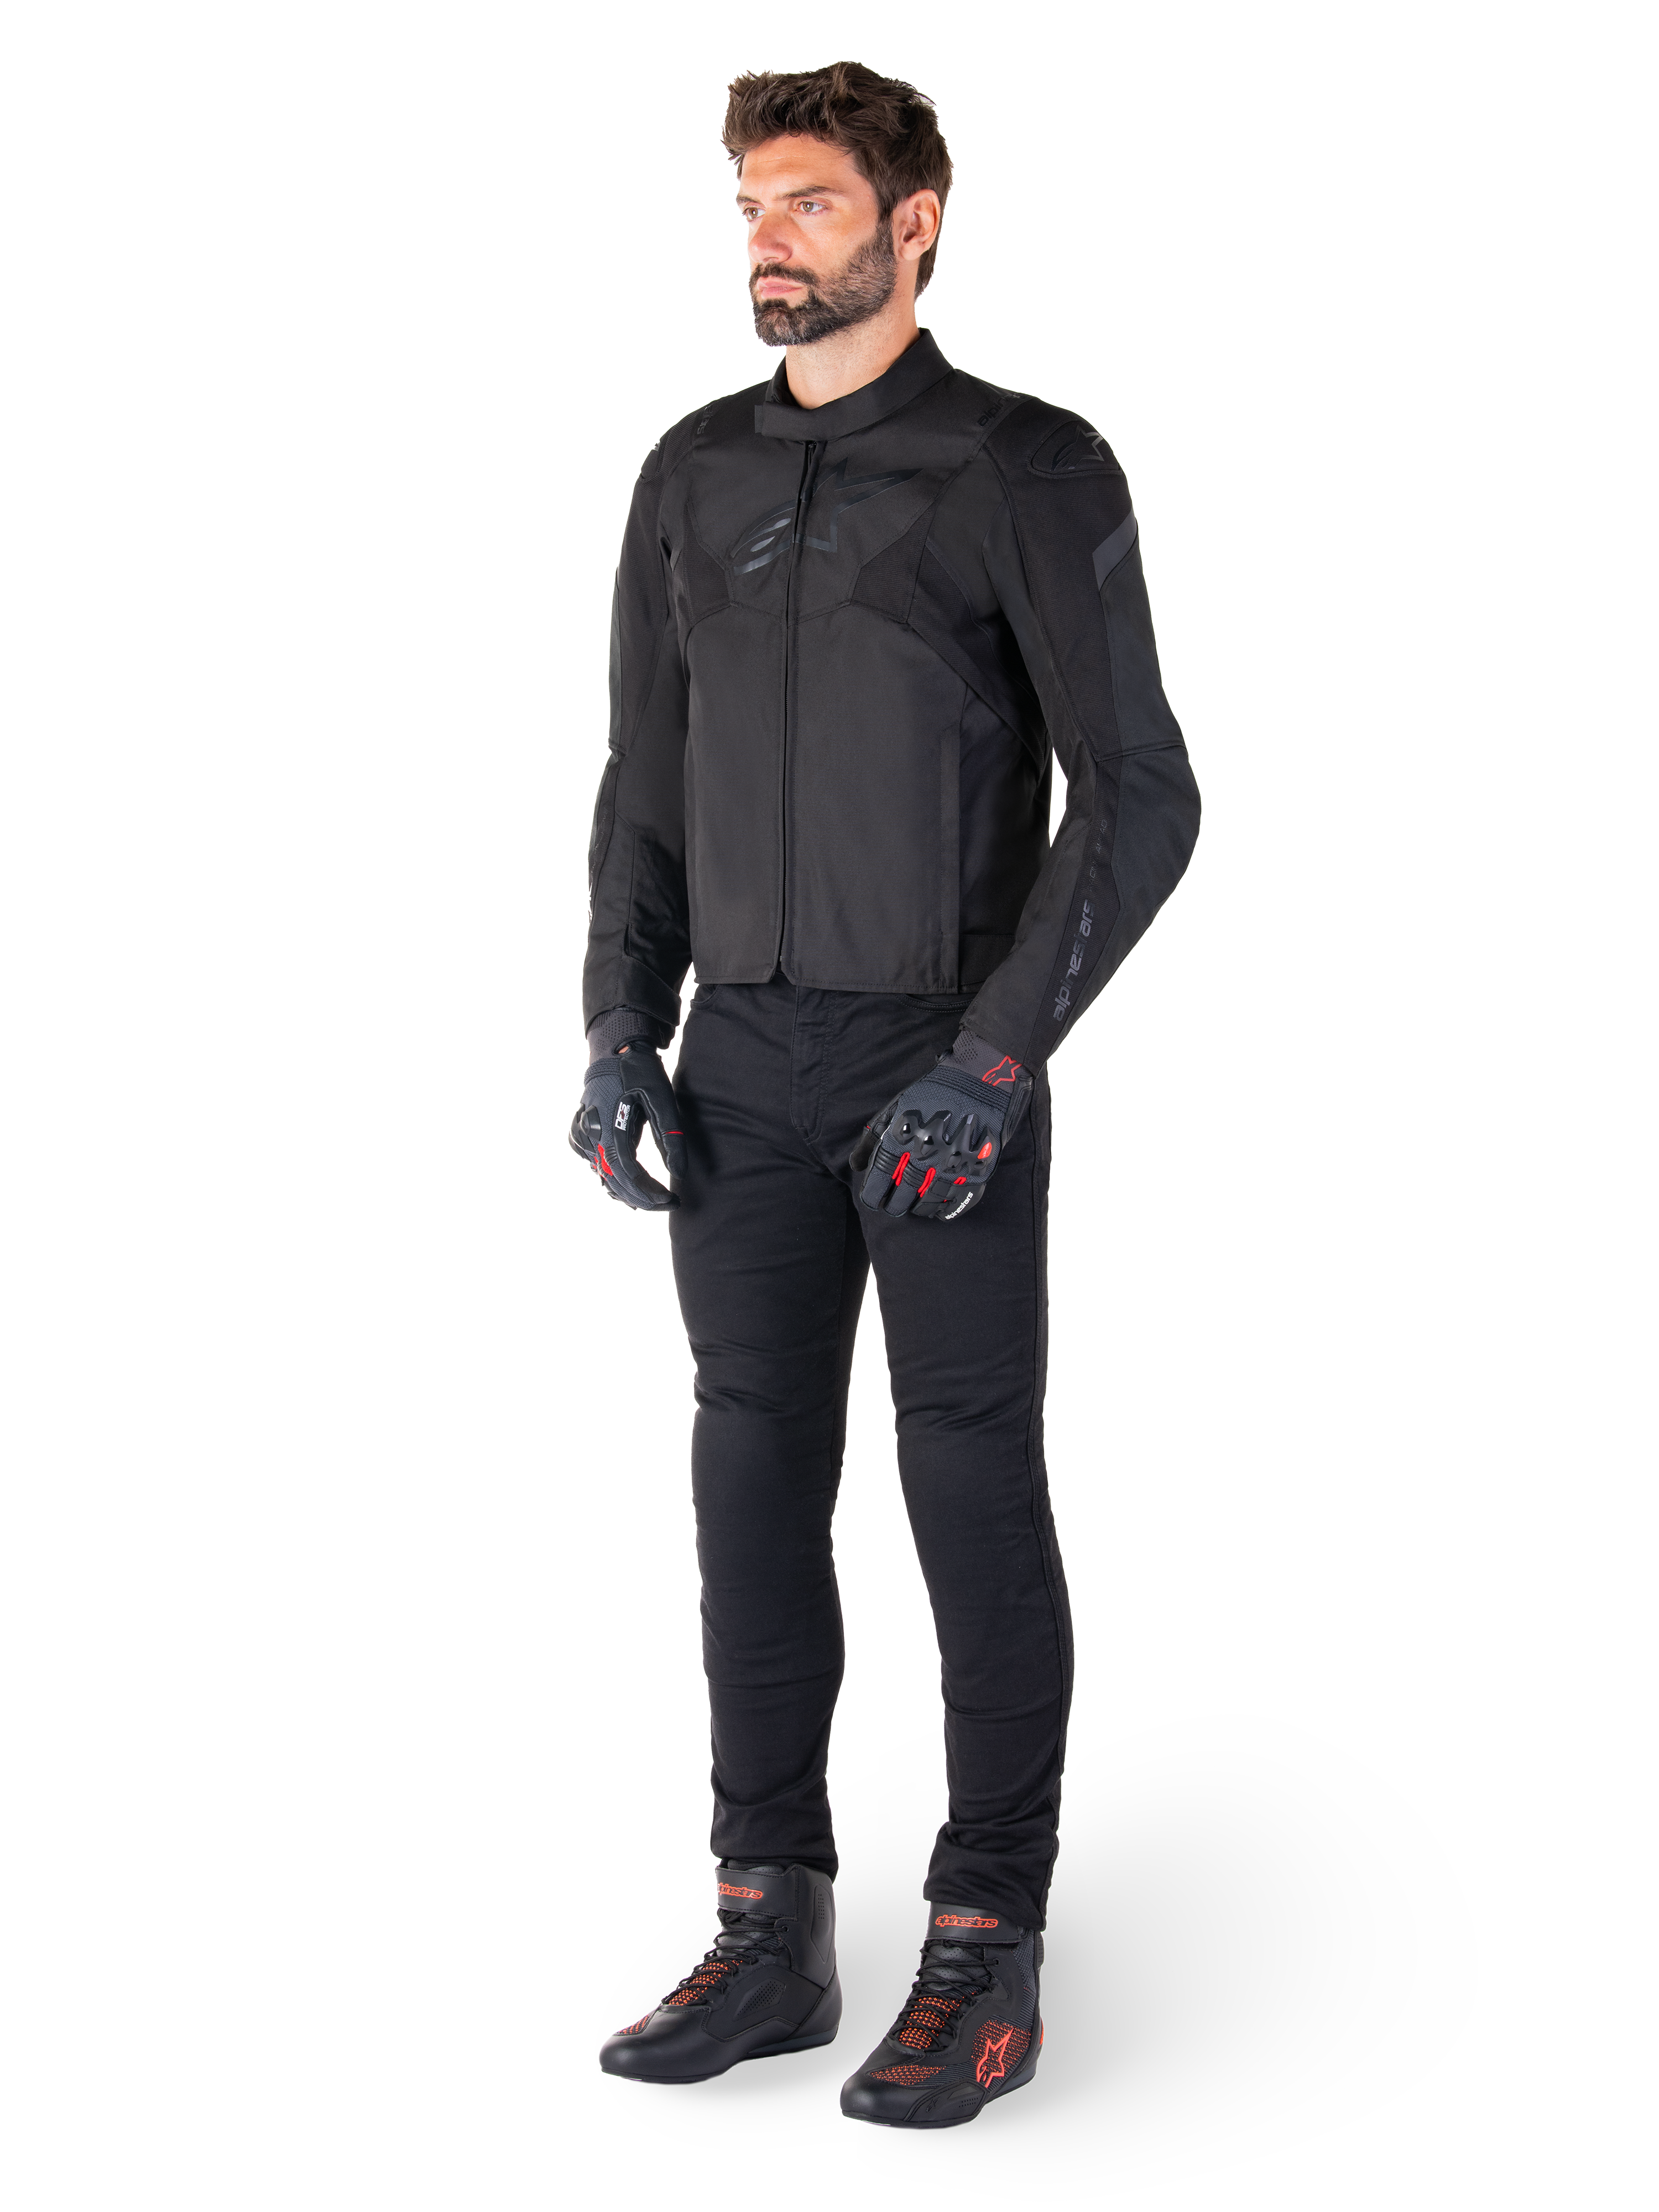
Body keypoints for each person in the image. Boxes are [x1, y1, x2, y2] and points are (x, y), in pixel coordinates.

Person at [572, 62, 1202, 2131]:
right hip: (737, 1068)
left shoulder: (1023, 462)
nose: (769, 237)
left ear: (915, 224)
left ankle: (986, 1957)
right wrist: (616, 1028)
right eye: (753, 201)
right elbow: (646, 787)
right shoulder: (691, 474)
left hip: (938, 1061)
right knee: (744, 1484)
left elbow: (1142, 793)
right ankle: (770, 1932)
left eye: (815, 203)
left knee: (968, 1487)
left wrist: (997, 1057)